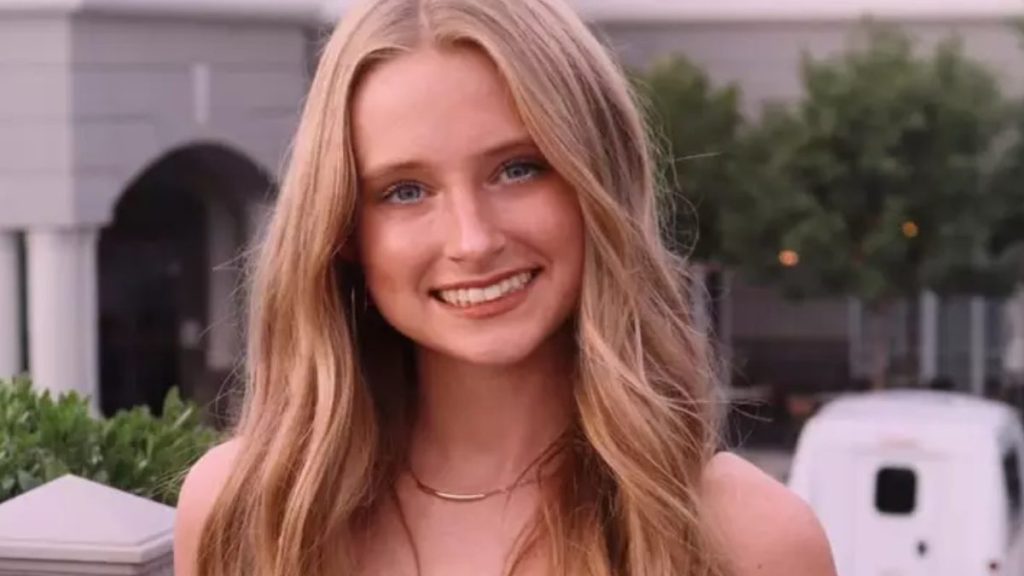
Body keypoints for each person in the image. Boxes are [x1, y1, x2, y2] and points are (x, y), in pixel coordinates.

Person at [173, 0, 836, 574]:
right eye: (405, 191)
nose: (472, 240)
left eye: (517, 169)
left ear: (598, 182)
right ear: (344, 231)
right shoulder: (249, 513)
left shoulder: (749, 539)